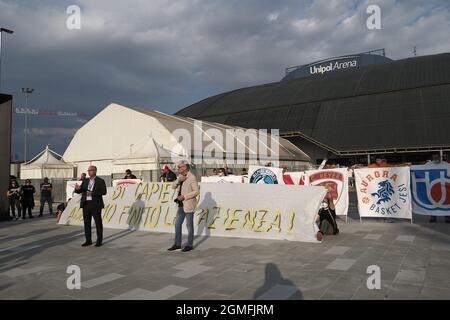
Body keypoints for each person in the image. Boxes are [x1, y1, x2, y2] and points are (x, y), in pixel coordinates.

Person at [168, 160, 200, 252]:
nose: (178, 168)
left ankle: (189, 245)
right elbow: (173, 186)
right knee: (177, 224)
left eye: (179, 167)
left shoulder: (192, 177)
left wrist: (184, 196)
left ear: (185, 167)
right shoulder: (180, 177)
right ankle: (177, 244)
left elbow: (196, 191)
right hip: (181, 205)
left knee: (189, 225)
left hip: (189, 204)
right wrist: (179, 180)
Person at [74, 166, 107, 247]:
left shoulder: (100, 181)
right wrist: (77, 189)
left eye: (90, 170)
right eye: (88, 170)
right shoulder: (85, 180)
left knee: (98, 223)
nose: (89, 172)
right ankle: (88, 240)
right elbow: (80, 190)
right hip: (86, 204)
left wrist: (93, 193)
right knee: (87, 223)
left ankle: (99, 241)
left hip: (95, 204)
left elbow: (104, 192)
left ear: (95, 171)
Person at [428, 152, 450, 223]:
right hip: (433, 187)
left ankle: (447, 217)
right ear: (432, 157)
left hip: (444, 186)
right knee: (433, 202)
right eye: (434, 157)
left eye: (437, 157)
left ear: (440, 157)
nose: (436, 159)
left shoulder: (445, 164)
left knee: (446, 202)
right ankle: (433, 217)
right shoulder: (428, 165)